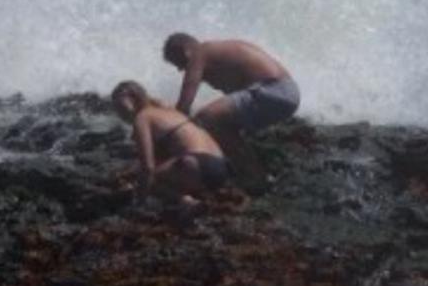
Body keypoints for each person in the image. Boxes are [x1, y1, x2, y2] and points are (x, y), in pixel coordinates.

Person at [162, 33, 301, 141]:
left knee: (205, 118)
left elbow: (184, 105)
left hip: (272, 90)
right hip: (290, 93)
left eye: (178, 62)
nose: (180, 69)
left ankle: (248, 171)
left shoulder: (199, 53)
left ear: (186, 51)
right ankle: (252, 170)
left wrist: (163, 130)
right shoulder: (218, 54)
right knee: (224, 126)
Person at [110, 80, 228, 204]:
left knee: (149, 179)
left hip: (197, 166)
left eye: (118, 108)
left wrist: (140, 200)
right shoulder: (168, 111)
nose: (119, 114)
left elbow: (148, 168)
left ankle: (186, 202)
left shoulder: (143, 118)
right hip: (221, 168)